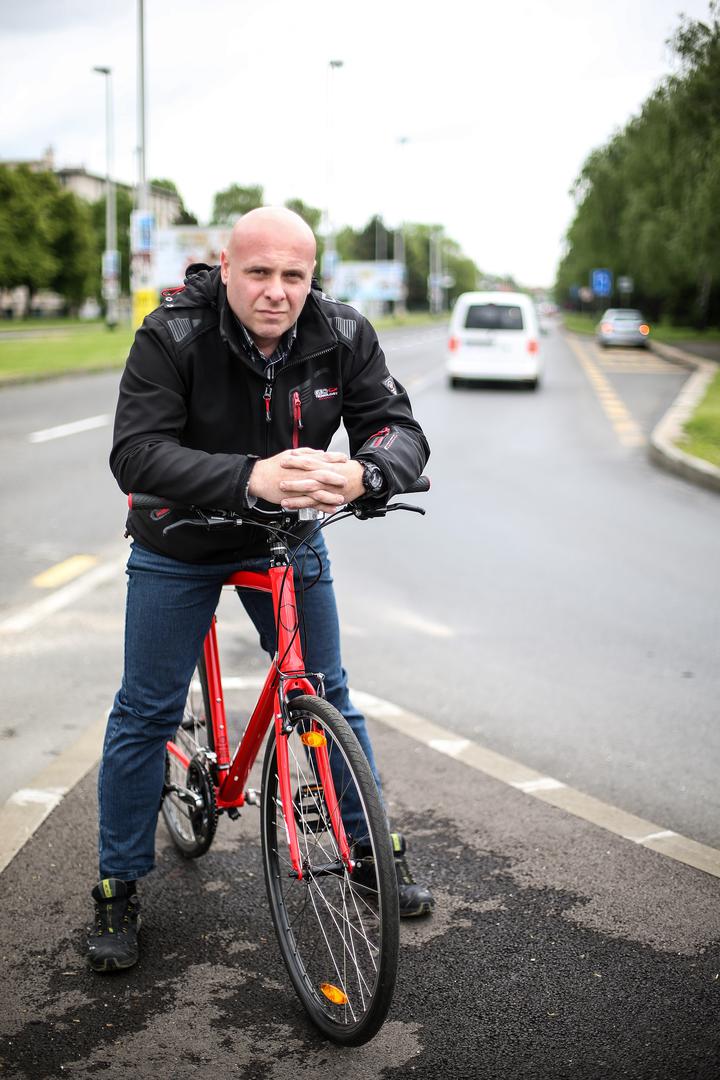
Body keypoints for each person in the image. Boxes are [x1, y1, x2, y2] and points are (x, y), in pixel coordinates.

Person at [87, 206, 433, 973]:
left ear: (313, 278)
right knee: (145, 711)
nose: (277, 291)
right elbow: (136, 453)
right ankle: (117, 884)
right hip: (177, 540)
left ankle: (369, 851)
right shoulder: (171, 333)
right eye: (259, 272)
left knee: (327, 693)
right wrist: (251, 476)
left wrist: (367, 473)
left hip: (285, 539)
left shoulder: (342, 333)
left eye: (294, 276)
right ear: (226, 267)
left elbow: (397, 428)